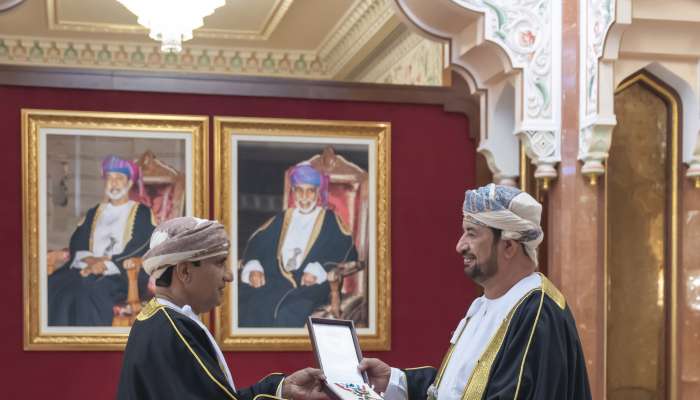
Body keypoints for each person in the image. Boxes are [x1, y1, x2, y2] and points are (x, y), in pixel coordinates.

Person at [359, 184, 592, 400]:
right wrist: (394, 382)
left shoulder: (537, 314)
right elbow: (458, 389)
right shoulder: (484, 305)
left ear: (508, 246)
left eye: (471, 233)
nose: (460, 245)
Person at [117, 216, 329, 400]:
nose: (229, 276)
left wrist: (282, 388)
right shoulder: (174, 332)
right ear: (184, 272)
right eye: (219, 263)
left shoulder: (160, 322)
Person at [238, 163, 358, 327]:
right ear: (293, 192)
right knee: (246, 302)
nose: (304, 197)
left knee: (287, 312)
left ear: (318, 193)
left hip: (309, 286)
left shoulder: (330, 220)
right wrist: (254, 266)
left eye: (310, 191)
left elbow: (346, 250)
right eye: (299, 190)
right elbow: (258, 244)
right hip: (276, 281)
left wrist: (319, 269)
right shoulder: (283, 218)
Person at [48, 155, 154, 326]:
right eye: (109, 178)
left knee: (88, 289)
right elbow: (78, 240)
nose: (114, 183)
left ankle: (89, 340)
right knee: (53, 284)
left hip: (123, 275)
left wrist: (106, 264)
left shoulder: (142, 213)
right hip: (86, 268)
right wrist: (90, 260)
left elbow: (142, 245)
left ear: (129, 183)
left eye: (119, 178)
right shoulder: (95, 212)